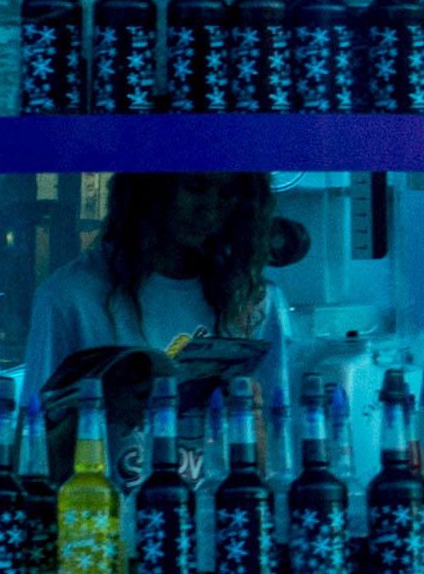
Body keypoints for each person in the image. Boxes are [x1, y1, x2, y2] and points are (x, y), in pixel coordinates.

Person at [20, 173, 298, 441]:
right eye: (194, 187)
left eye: (227, 194)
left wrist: (250, 416)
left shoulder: (253, 299)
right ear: (150, 186)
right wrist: (99, 409)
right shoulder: (71, 297)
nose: (210, 210)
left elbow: (277, 448)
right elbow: (30, 453)